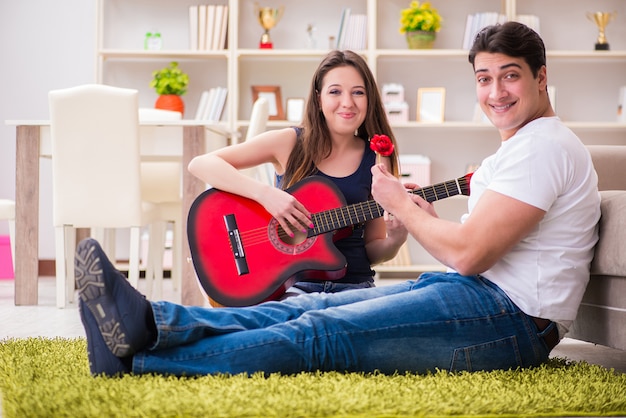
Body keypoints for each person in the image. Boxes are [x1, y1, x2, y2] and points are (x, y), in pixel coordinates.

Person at [77, 22, 601, 377]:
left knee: (320, 331)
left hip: (507, 320)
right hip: (475, 295)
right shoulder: (520, 151)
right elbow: (466, 248)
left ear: (541, 77)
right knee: (300, 312)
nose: (496, 92)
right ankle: (150, 321)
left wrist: (400, 211)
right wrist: (415, 218)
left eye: (510, 76)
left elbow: (467, 252)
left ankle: (137, 361)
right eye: (484, 79)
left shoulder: (541, 150)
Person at [188, 49, 406, 297]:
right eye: (335, 91)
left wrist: (395, 240)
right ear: (318, 98)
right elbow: (201, 163)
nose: (348, 102)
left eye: (358, 92)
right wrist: (266, 195)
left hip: (354, 289)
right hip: (295, 288)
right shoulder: (289, 142)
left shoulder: (377, 158)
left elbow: (371, 250)